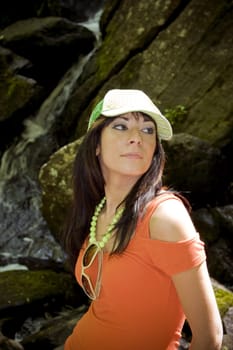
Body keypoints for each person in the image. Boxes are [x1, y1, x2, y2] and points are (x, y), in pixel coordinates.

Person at [63, 89, 223, 350]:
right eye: (121, 126)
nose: (136, 138)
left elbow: (210, 336)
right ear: (96, 145)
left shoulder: (163, 216)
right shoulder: (99, 208)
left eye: (148, 130)